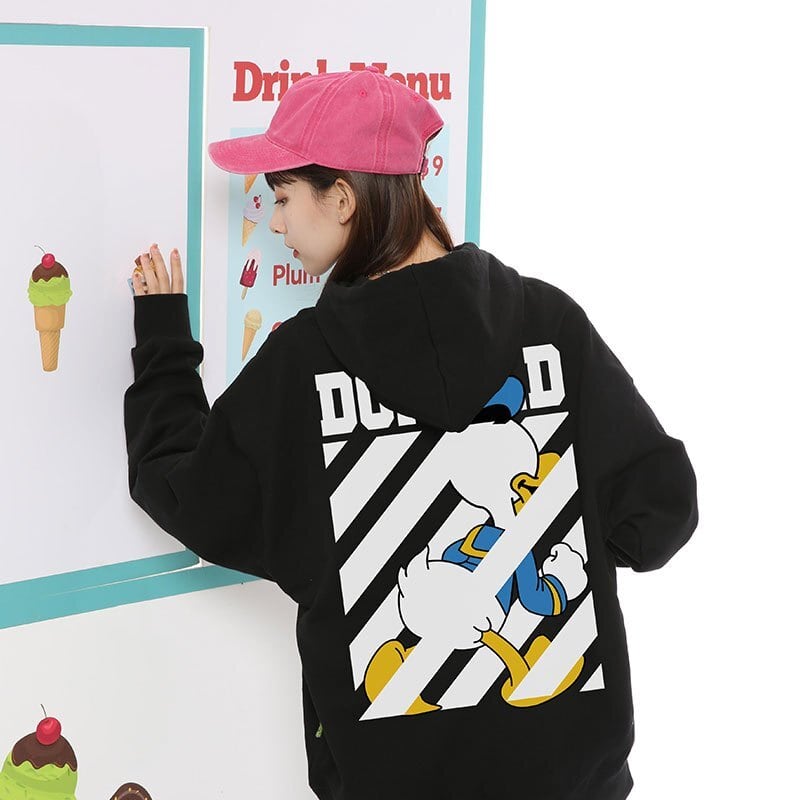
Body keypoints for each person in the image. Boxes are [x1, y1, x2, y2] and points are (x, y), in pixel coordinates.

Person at [125, 67, 699, 800]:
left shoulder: (301, 368)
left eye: (283, 197)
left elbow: (194, 498)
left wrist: (163, 344)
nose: (275, 223)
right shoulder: (551, 325)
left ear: (342, 198)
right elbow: (661, 513)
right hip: (576, 776)